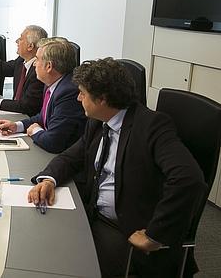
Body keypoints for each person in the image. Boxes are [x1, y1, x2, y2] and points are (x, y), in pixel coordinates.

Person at [28, 58, 206, 277]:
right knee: (38, 243)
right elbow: (72, 157)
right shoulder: (98, 120)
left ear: (102, 99)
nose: (78, 97)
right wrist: (49, 180)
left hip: (125, 228)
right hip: (92, 213)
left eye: (82, 93)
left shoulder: (151, 126)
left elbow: (188, 178)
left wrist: (154, 234)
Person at [0, 38, 86, 153]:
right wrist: (17, 126)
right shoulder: (52, 83)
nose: (34, 64)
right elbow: (43, 117)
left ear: (49, 66)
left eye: (37, 60)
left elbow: (53, 142)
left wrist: (35, 130)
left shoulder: (68, 92)